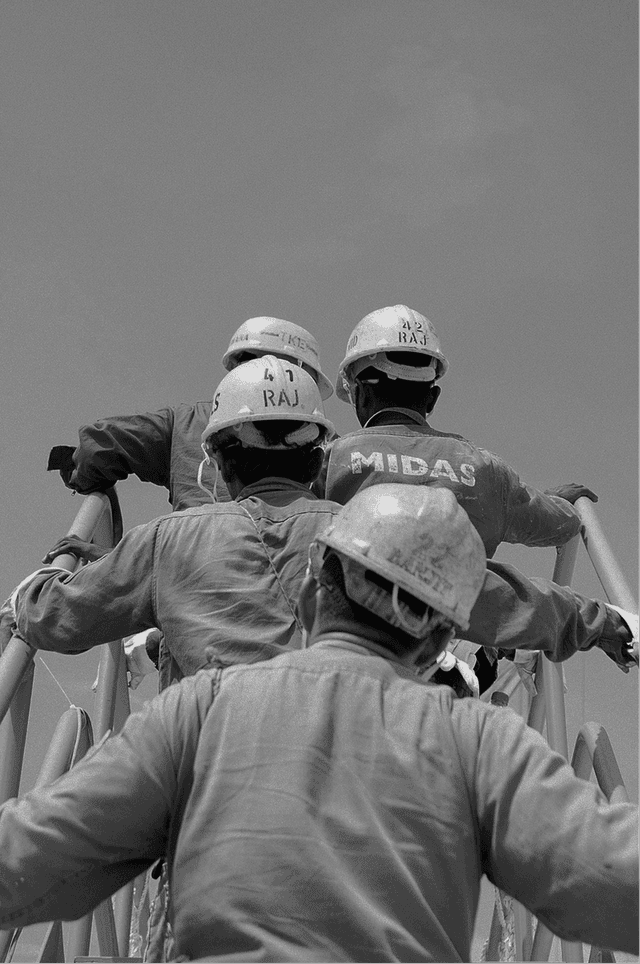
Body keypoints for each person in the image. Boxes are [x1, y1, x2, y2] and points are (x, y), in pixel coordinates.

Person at [0, 486, 636, 963]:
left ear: (309, 594)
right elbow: (611, 875)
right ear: (441, 639)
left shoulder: (198, 710)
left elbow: (30, 856)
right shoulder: (482, 743)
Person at [319, 303, 612, 688]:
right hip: (455, 661)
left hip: (349, 658)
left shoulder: (329, 462)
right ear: (433, 397)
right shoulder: (485, 470)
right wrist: (558, 502)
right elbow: (558, 524)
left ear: (358, 392)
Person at [4, 357, 339, 681]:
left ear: (220, 463)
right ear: (316, 462)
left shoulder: (168, 541)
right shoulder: (360, 530)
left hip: (212, 718)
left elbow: (50, 615)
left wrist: (30, 591)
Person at [48, 316, 334, 513]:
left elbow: (102, 446)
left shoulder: (183, 424)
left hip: (189, 564)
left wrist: (80, 476)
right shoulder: (325, 444)